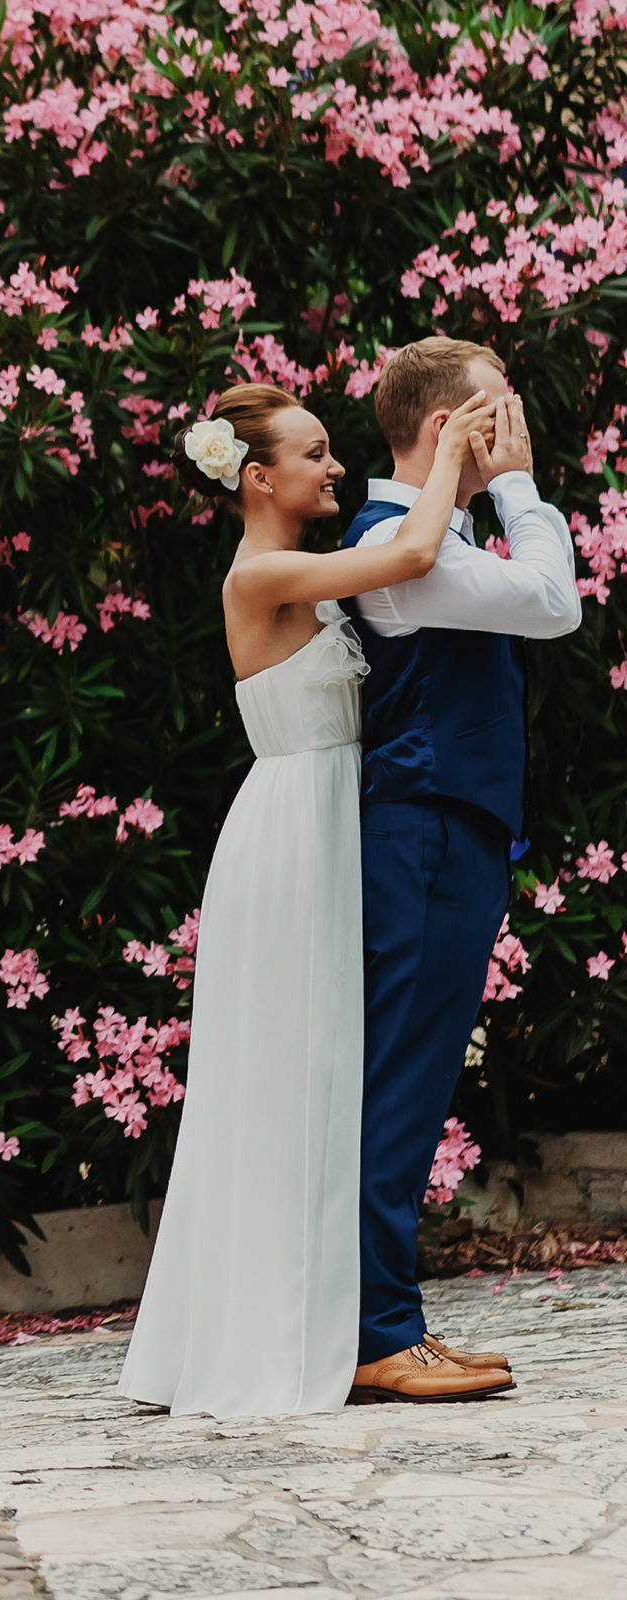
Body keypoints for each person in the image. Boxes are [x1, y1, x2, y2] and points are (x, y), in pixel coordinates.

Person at [120, 379, 505, 1417]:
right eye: (315, 453)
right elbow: (417, 554)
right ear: (259, 478)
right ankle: (329, 1337)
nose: (335, 467)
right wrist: (461, 448)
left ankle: (352, 1322)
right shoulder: (271, 571)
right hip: (295, 826)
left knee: (327, 1076)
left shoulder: (299, 571)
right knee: (300, 1077)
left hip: (334, 813)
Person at [339, 338, 583, 1402]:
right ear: (446, 431)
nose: (517, 432)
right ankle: (377, 1332)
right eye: (502, 415)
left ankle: (394, 1322)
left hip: (447, 830)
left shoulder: (425, 531)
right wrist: (521, 481)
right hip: (426, 834)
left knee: (417, 1077)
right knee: (402, 1080)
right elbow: (554, 599)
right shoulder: (400, 541)